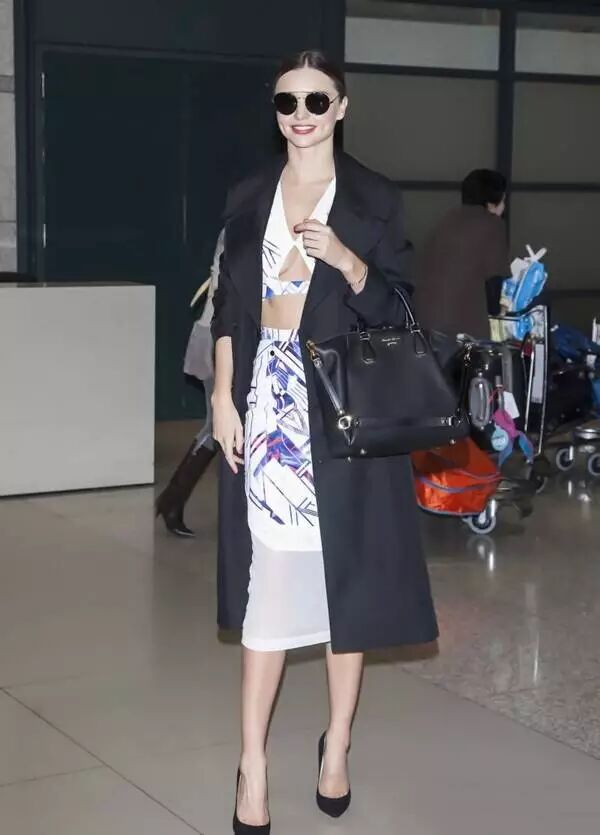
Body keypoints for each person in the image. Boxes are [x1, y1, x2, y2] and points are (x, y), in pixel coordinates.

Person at [211, 50, 438, 834]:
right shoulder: (249, 195)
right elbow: (229, 305)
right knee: (269, 588)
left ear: (342, 106)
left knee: (350, 582)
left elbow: (401, 313)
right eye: (287, 101)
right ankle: (253, 763)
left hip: (343, 409)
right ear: (275, 110)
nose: (301, 115)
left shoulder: (373, 199)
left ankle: (336, 741)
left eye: (317, 100)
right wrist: (222, 395)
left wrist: (346, 260)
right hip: (269, 406)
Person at [155, 229, 224, 537]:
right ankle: (172, 500)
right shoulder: (242, 227)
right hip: (220, 336)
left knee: (219, 426)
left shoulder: (237, 227)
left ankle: (172, 500)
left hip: (219, 333)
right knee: (219, 426)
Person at [414, 169, 510, 341]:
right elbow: (493, 280)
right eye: (503, 201)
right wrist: (497, 309)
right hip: (461, 327)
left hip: (424, 322)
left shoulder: (445, 221)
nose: (504, 207)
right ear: (491, 203)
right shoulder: (492, 224)